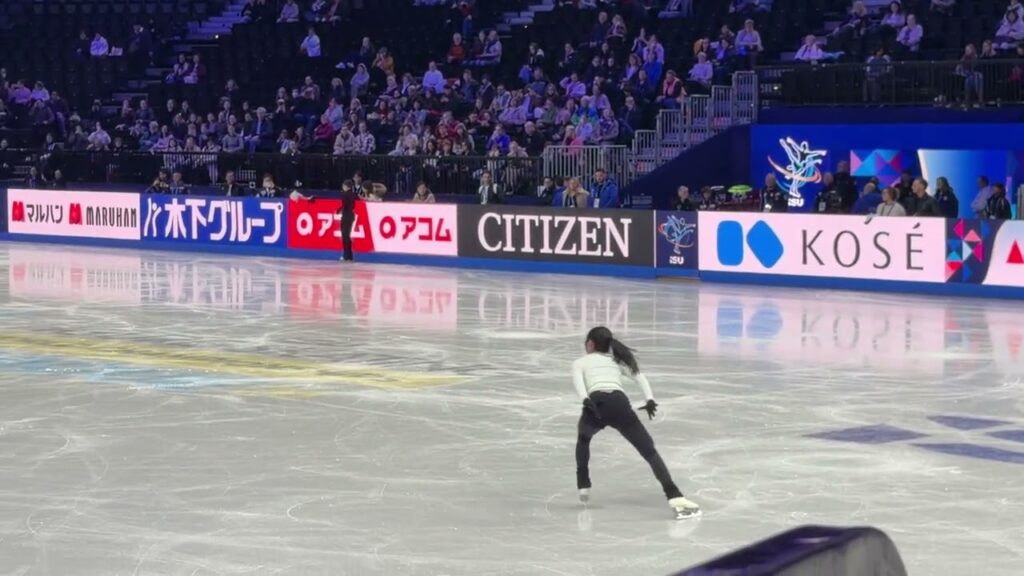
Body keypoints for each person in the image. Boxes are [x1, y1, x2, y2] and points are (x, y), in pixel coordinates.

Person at [572, 327, 701, 519]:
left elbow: (579, 385)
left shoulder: (580, 362)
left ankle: (583, 482)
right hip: (620, 405)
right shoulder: (616, 361)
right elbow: (639, 377)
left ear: (590, 344)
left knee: (583, 439)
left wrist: (585, 400)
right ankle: (674, 496)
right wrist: (649, 399)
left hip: (596, 404)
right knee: (649, 451)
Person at [338, 179, 357, 261]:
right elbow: (353, 206)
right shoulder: (353, 194)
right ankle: (349, 255)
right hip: (351, 216)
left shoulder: (344, 194)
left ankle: (346, 255)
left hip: (346, 216)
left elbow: (344, 205)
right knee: (347, 235)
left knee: (345, 236)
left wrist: (339, 210)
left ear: (346, 186)